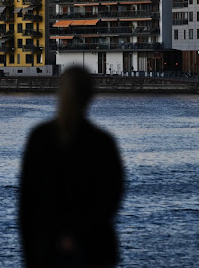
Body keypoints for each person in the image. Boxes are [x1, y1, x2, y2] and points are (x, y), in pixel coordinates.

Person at [19, 65, 124, 268]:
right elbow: (111, 198)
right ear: (91, 96)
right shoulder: (102, 142)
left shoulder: (39, 138)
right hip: (94, 248)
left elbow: (28, 202)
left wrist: (32, 249)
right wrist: (79, 232)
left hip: (46, 247)